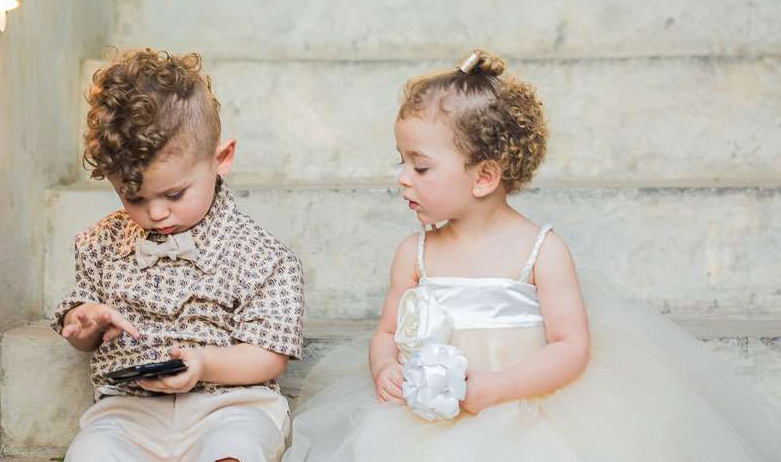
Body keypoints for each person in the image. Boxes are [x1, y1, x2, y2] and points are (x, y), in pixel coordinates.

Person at [284, 49, 781, 461]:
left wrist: (496, 388)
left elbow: (570, 347)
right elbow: (387, 333)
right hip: (423, 413)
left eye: (421, 167)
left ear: (484, 176)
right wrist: (385, 368)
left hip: (523, 403)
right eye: (401, 162)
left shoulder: (540, 251)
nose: (401, 178)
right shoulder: (413, 253)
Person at [51, 48, 304, 462]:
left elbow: (269, 356)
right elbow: (82, 333)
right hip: (129, 409)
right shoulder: (100, 243)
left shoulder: (263, 257)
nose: (156, 213)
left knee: (237, 448)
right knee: (89, 453)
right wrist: (84, 324)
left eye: (174, 194)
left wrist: (203, 364)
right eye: (134, 198)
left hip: (229, 405)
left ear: (221, 159)